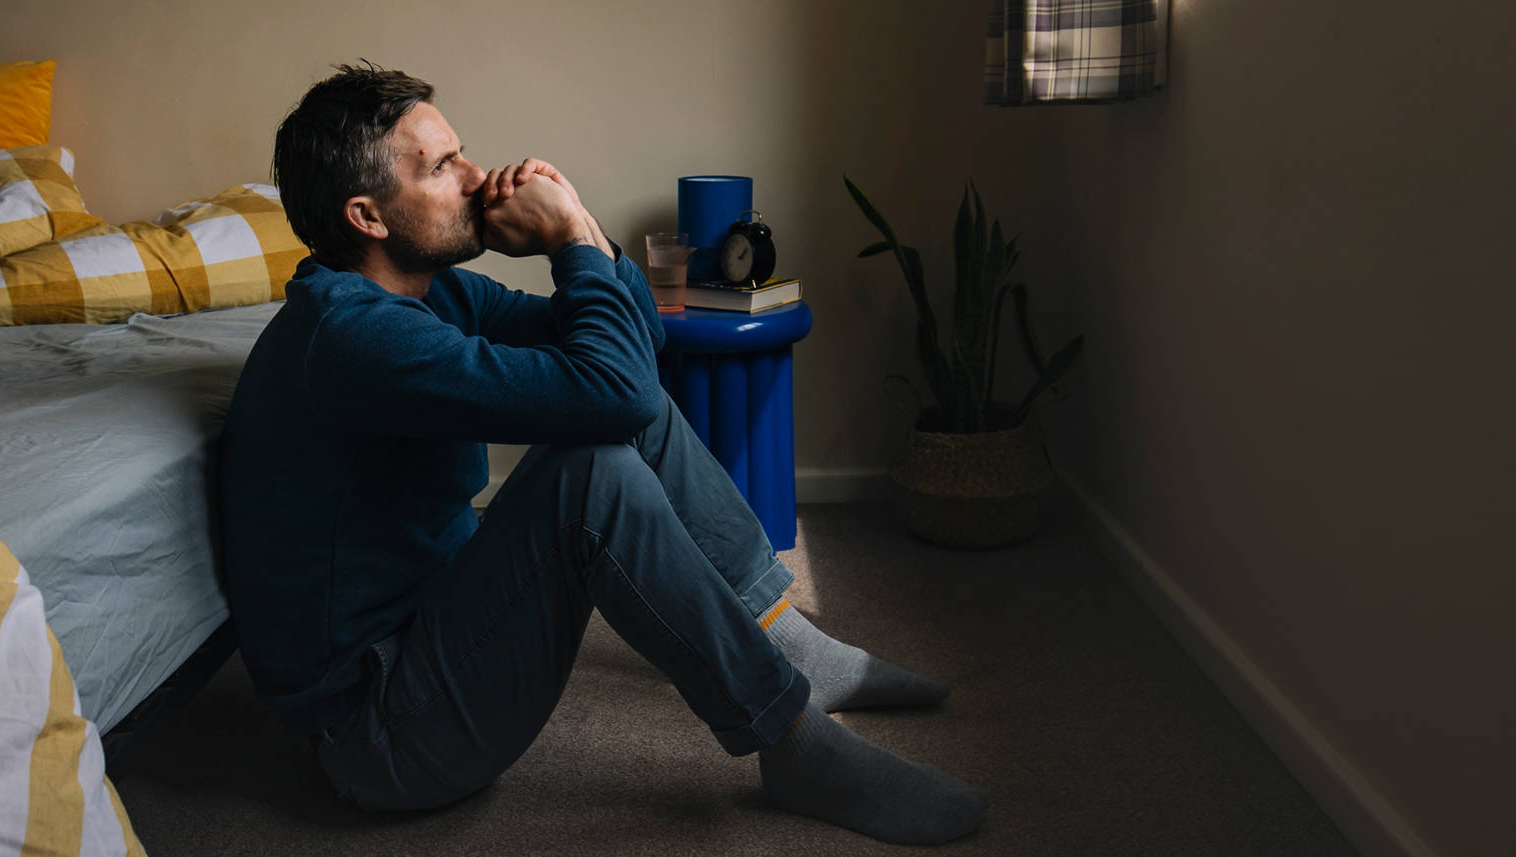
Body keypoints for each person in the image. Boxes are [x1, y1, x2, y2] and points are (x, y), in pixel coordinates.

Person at [220, 62, 986, 846]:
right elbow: (616, 386)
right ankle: (788, 736)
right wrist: (562, 243)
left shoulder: (431, 291)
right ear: (368, 216)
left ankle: (787, 640)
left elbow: (634, 353)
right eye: (444, 167)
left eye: (462, 153)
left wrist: (580, 227)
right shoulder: (357, 339)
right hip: (383, 733)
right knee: (593, 474)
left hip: (436, 631)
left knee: (623, 409)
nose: (479, 178)